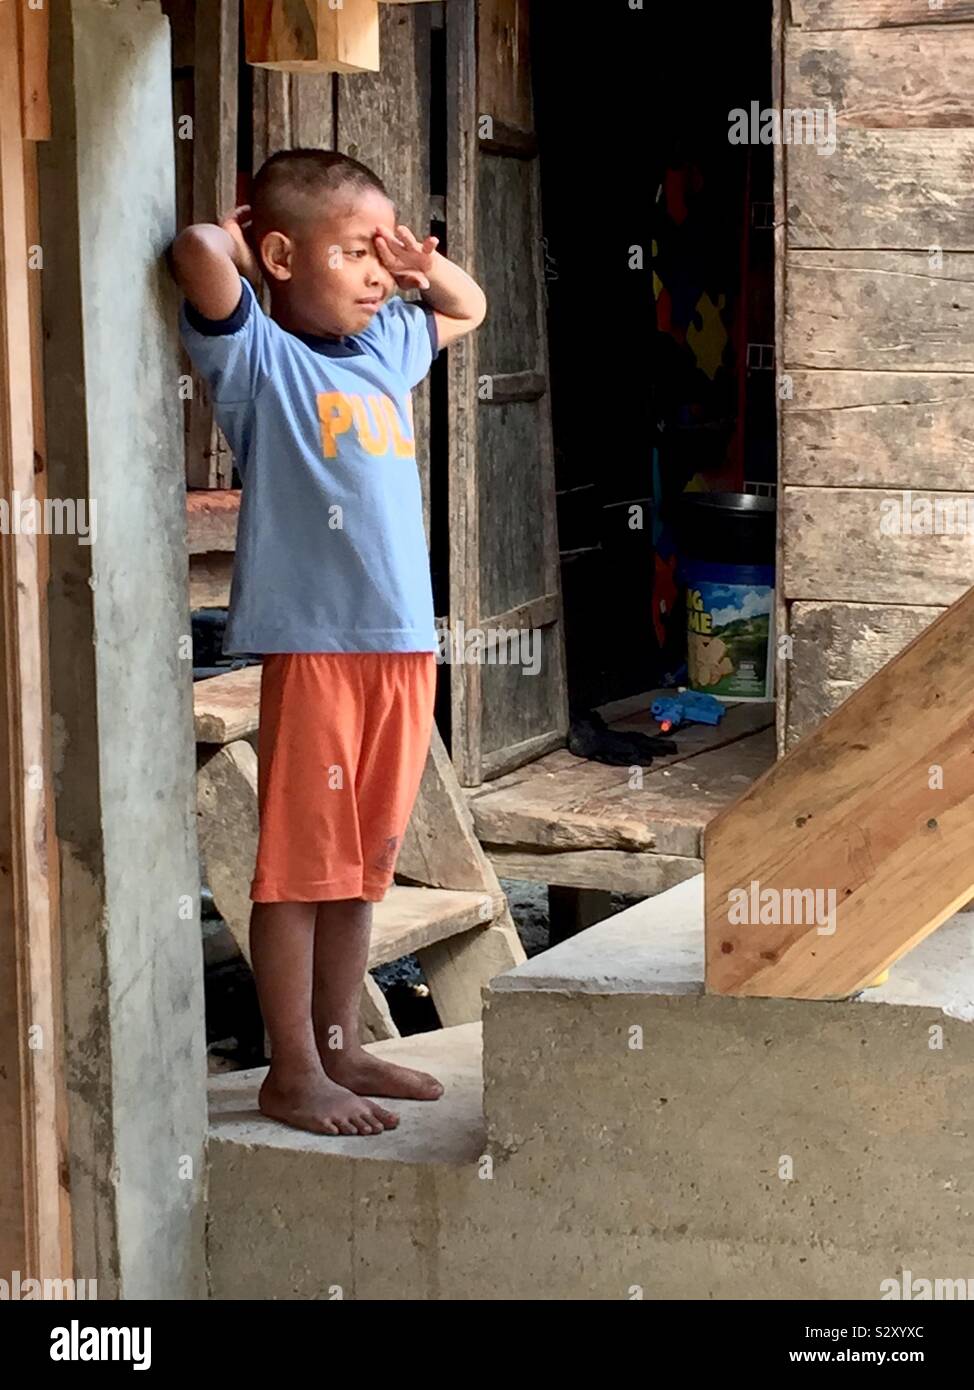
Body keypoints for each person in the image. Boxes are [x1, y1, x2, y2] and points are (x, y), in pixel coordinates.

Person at [169, 149, 487, 1136]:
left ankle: (347, 1046)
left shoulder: (390, 343)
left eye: (376, 255)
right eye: (350, 251)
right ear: (277, 253)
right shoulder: (260, 359)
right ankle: (291, 1067)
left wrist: (416, 264)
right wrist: (229, 236)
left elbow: (467, 307)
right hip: (315, 647)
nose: (371, 273)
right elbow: (194, 252)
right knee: (299, 866)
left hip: (400, 644)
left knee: (361, 867)